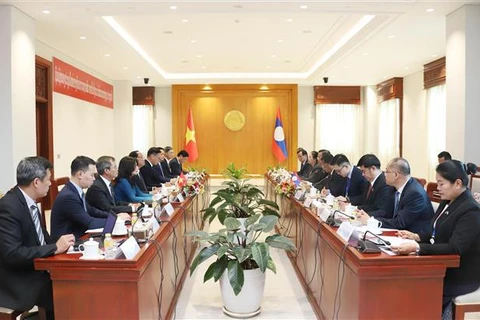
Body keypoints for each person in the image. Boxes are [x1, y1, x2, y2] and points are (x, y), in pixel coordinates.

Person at [392, 160, 480, 319]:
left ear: (457, 183)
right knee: (405, 283)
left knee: (418, 292)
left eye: (441, 183)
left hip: (459, 275)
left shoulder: (471, 209)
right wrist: (417, 237)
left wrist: (418, 248)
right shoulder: (448, 201)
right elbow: (437, 230)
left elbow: (455, 248)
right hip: (440, 266)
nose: (437, 188)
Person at [0, 157, 75, 319]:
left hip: (35, 267)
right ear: (36, 182)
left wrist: (65, 245)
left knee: (73, 282)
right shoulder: (9, 207)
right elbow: (12, 254)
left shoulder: (29, 201)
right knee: (66, 291)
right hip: (17, 277)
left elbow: (43, 239)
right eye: (48, 179)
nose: (50, 183)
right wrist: (55, 248)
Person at [357, 157, 434, 234]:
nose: (384, 174)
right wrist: (368, 216)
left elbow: (400, 223)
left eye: (386, 172)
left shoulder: (415, 194)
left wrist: (372, 222)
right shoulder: (393, 188)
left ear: (396, 175)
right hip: (398, 232)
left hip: (413, 236)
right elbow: (385, 212)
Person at [356, 154, 395, 218]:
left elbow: (380, 209)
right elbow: (364, 200)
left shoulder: (385, 183)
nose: (362, 174)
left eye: (363, 171)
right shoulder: (369, 181)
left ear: (373, 168)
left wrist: (364, 215)